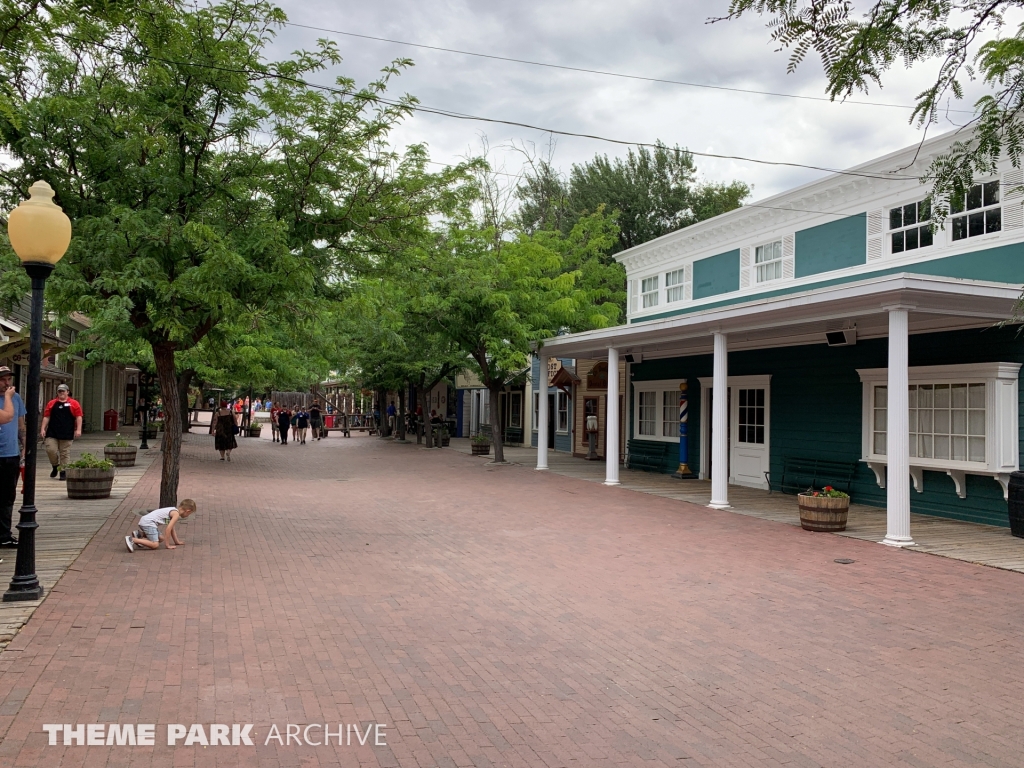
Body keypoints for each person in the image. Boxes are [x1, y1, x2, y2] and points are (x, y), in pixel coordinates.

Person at [0, 367, 26, 548]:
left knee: (7, 496)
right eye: (3, 379)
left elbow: (20, 424)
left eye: (8, 379)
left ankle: (4, 534)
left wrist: (24, 445)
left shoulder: (15, 398)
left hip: (11, 453)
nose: (7, 383)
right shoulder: (10, 398)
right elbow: (7, 417)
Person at [41, 383, 83, 481]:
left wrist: (78, 429)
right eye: (59, 391)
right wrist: (43, 428)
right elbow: (46, 416)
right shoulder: (52, 403)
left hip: (67, 432)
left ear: (67, 392)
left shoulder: (74, 403)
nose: (61, 393)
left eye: (63, 391)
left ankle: (63, 471)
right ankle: (55, 465)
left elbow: (78, 416)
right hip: (52, 432)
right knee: (50, 450)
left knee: (64, 453)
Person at [126, 499, 197, 551]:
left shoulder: (173, 510)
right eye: (189, 514)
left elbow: (172, 528)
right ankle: (132, 540)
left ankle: (139, 534)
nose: (188, 515)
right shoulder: (176, 514)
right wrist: (167, 545)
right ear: (188, 511)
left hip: (147, 521)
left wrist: (177, 542)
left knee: (161, 538)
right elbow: (168, 529)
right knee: (155, 544)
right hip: (148, 523)